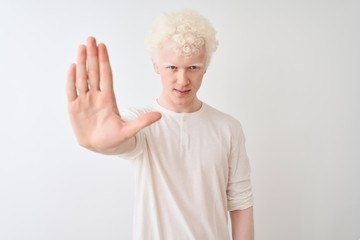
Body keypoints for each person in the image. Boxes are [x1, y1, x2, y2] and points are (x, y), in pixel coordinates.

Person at [66, 9, 254, 240]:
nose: (183, 80)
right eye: (172, 67)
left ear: (206, 65)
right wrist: (99, 142)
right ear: (155, 65)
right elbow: (120, 140)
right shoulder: (140, 121)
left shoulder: (228, 128)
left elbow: (241, 202)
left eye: (193, 67)